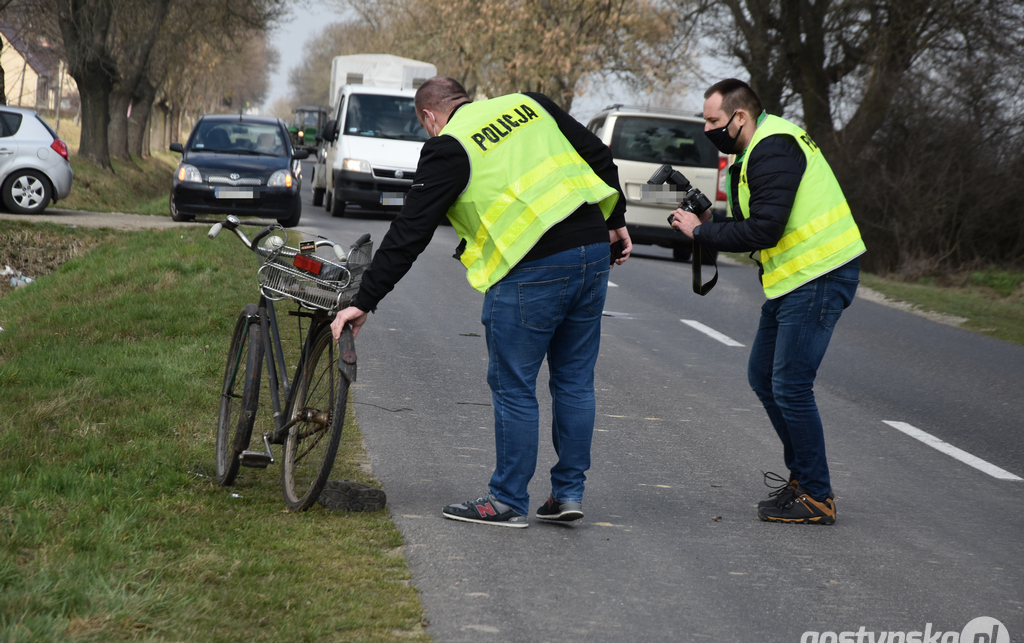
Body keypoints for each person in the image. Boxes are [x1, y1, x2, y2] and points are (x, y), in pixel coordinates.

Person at [330, 76, 631, 528]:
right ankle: (568, 493)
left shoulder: (448, 147)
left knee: (514, 384)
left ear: (429, 116)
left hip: (533, 268)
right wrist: (615, 220)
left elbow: (410, 231)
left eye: (424, 126)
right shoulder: (531, 104)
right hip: (591, 251)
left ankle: (507, 500)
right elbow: (599, 155)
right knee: (574, 381)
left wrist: (365, 299)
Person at [671, 79, 865, 525]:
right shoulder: (752, 152)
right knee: (763, 375)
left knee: (791, 385)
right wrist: (707, 219)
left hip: (819, 272)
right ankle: (803, 479)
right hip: (793, 278)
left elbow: (765, 230)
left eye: (713, 120)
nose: (707, 128)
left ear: (740, 116)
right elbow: (754, 220)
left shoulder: (773, 148)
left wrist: (700, 234)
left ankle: (817, 495)